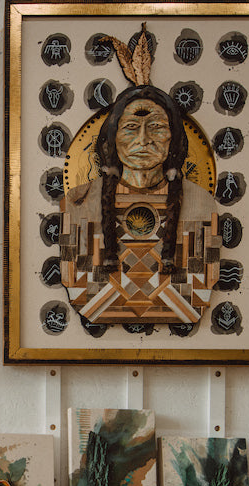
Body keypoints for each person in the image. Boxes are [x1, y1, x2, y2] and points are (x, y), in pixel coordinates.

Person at [59, 85, 220, 325]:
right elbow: (80, 288)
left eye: (157, 127)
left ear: (174, 138)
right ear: (112, 138)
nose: (143, 140)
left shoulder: (201, 204)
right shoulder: (79, 202)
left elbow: (197, 294)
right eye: (131, 127)